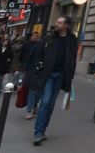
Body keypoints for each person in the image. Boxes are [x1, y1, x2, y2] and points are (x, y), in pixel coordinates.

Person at [30, 17, 78, 145]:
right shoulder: (50, 37)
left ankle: (43, 129)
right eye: (57, 22)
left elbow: (73, 58)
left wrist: (70, 75)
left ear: (66, 25)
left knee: (51, 103)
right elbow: (39, 53)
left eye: (60, 23)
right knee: (45, 102)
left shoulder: (72, 40)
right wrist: (38, 69)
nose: (56, 24)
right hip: (48, 74)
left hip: (61, 75)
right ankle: (38, 132)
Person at [22, 31, 41, 119]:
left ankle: (35, 105)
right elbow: (27, 58)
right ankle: (29, 110)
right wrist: (24, 69)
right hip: (32, 71)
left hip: (42, 73)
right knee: (32, 91)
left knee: (38, 93)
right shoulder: (36, 46)